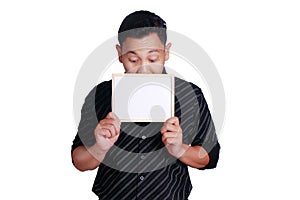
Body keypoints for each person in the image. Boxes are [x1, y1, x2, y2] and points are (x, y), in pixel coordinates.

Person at [71, 10, 220, 200]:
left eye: (152, 59)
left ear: (166, 52)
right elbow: (79, 161)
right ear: (119, 54)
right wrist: (99, 148)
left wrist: (179, 149)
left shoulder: (190, 95)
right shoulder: (100, 94)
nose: (143, 69)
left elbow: (210, 156)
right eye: (133, 60)